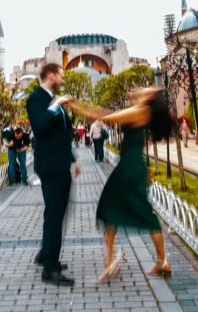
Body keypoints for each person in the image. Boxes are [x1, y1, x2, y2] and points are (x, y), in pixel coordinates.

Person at [70, 88, 175, 282]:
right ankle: (154, 261)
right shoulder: (140, 110)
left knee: (118, 209)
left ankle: (148, 261)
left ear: (149, 97)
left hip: (129, 168)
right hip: (132, 165)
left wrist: (76, 105)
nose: (138, 92)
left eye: (144, 91)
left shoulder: (140, 111)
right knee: (116, 208)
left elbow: (107, 117)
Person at [26, 63, 78, 286]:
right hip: (50, 166)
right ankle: (50, 268)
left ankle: (47, 254)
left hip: (60, 163)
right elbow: (40, 129)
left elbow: (62, 133)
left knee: (55, 214)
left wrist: (72, 159)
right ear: (50, 75)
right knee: (55, 216)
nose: (63, 81)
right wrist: (55, 106)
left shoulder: (53, 100)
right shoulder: (36, 99)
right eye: (61, 76)